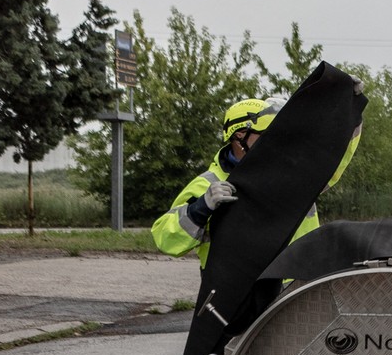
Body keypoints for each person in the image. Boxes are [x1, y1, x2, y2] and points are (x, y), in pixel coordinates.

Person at [152, 96, 357, 269]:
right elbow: (165, 239)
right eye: (267, 135)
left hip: (296, 292)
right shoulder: (207, 184)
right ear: (240, 135)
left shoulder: (293, 172)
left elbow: (333, 156)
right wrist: (201, 207)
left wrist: (350, 108)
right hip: (236, 299)